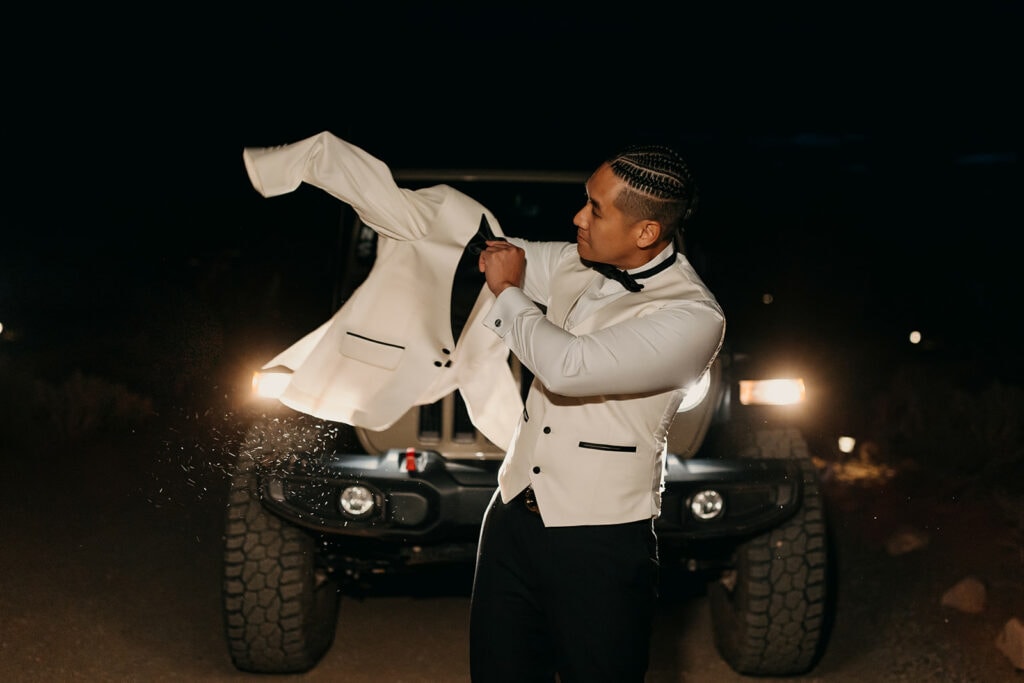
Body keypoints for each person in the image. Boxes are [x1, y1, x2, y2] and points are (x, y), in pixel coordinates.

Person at [469, 144, 726, 682]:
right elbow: (499, 252)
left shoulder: (693, 316)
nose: (577, 218)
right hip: (511, 517)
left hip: (601, 540)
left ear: (646, 233)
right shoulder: (576, 262)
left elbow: (568, 367)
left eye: (595, 208)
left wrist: (509, 292)